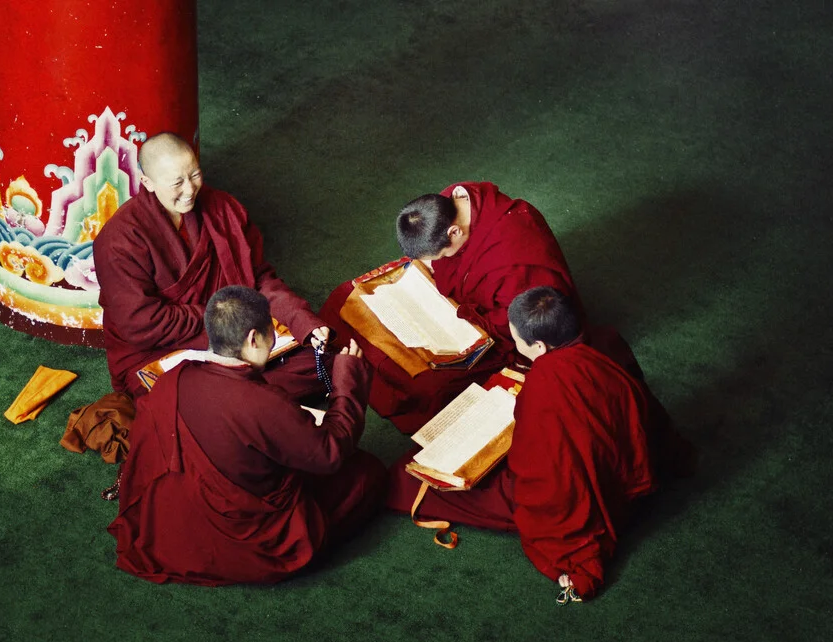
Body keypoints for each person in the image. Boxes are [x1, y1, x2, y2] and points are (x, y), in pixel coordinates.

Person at [385, 286, 661, 601]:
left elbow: (543, 480)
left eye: (518, 340)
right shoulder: (603, 344)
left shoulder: (546, 383)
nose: (516, 346)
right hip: (619, 470)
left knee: (405, 479)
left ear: (540, 346)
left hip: (578, 493)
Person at [108, 286, 387, 585]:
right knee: (366, 474)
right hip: (252, 540)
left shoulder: (170, 380)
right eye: (271, 333)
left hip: (176, 526)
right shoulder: (263, 403)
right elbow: (330, 453)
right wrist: (348, 381)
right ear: (254, 339)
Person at [319, 181, 580, 432]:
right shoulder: (451, 201)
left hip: (486, 324)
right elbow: (437, 267)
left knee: (426, 385)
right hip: (453, 298)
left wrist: (462, 317)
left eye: (443, 255)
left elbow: (515, 319)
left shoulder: (514, 253)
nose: (440, 261)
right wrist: (432, 271)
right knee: (345, 298)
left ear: (454, 232)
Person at [94, 132, 330, 399]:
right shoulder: (119, 241)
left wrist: (300, 318)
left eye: (195, 175)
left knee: (319, 359)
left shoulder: (221, 208)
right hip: (161, 351)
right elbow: (140, 324)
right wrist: (222, 317)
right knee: (197, 397)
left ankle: (243, 404)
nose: (190, 190)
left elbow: (258, 279)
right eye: (177, 183)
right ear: (147, 182)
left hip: (234, 335)